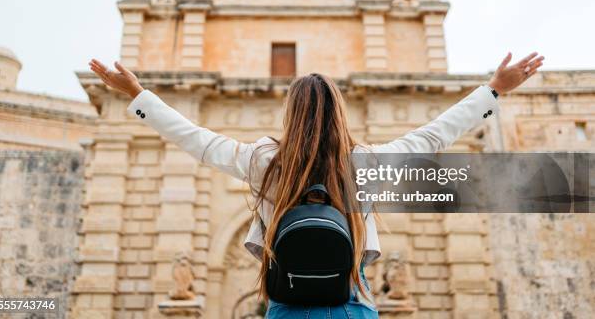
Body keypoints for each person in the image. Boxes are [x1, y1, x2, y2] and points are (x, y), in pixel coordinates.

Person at [89, 52, 544, 318]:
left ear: (291, 114)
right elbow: (434, 134)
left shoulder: (265, 162)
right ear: (340, 114)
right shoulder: (364, 162)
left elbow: (198, 141)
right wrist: (494, 90)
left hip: (286, 305)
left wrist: (138, 96)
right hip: (352, 303)